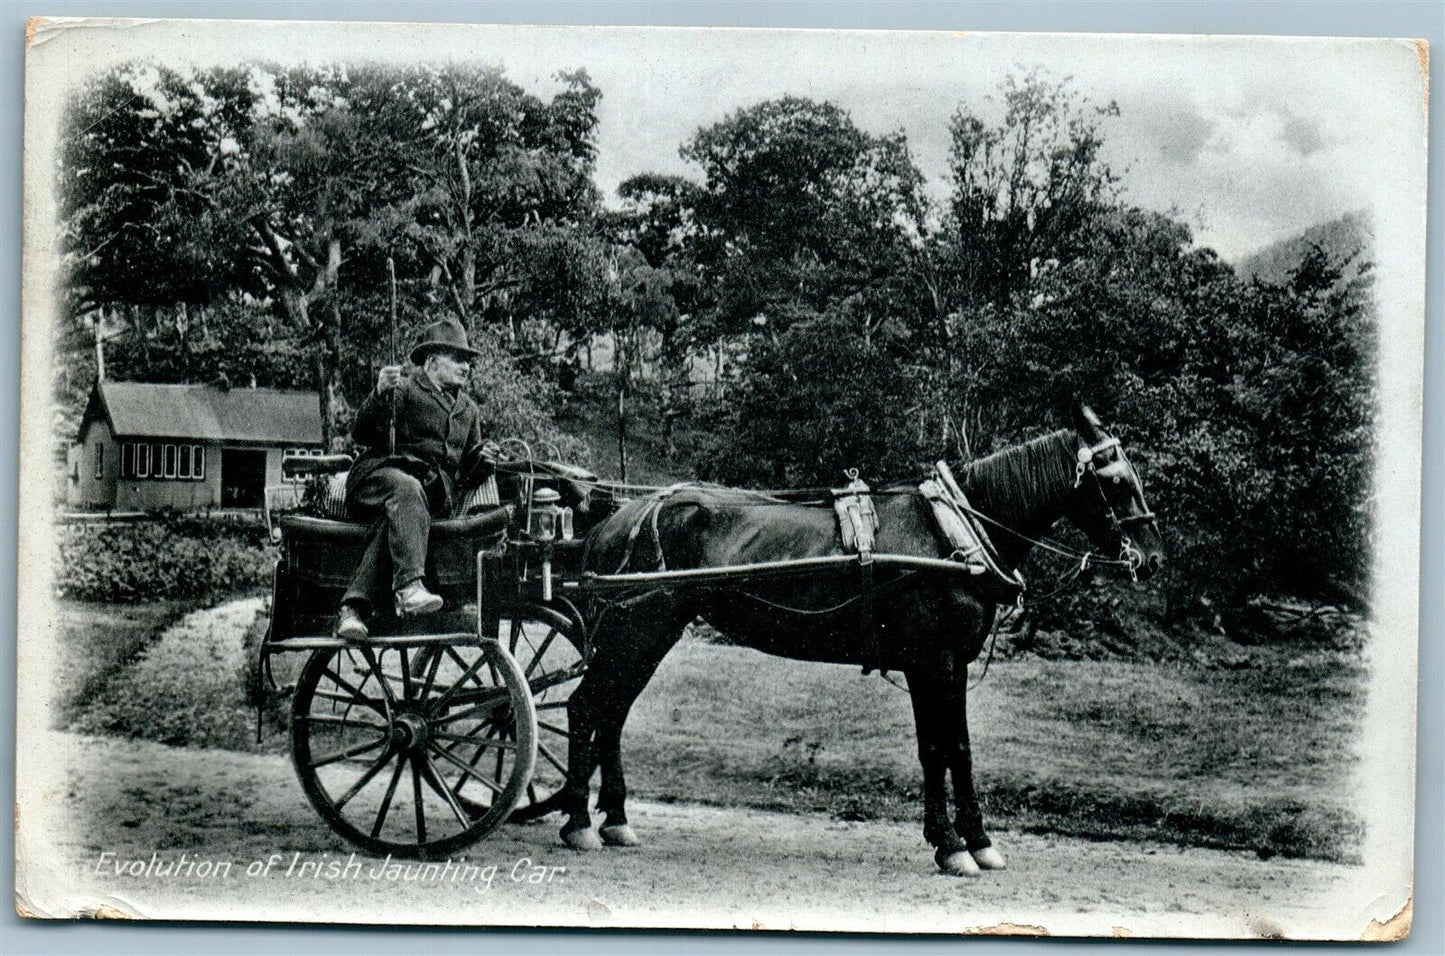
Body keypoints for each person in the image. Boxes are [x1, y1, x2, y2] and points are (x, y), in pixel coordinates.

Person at [335, 318, 498, 640]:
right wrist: (379, 392)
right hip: (378, 479)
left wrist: (485, 460)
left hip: (422, 500)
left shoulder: (469, 410)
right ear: (432, 360)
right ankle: (409, 588)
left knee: (400, 517)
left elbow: (465, 469)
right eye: (458, 359)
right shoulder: (404, 389)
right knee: (407, 490)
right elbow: (362, 434)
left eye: (468, 361)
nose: (466, 367)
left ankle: (353, 610)